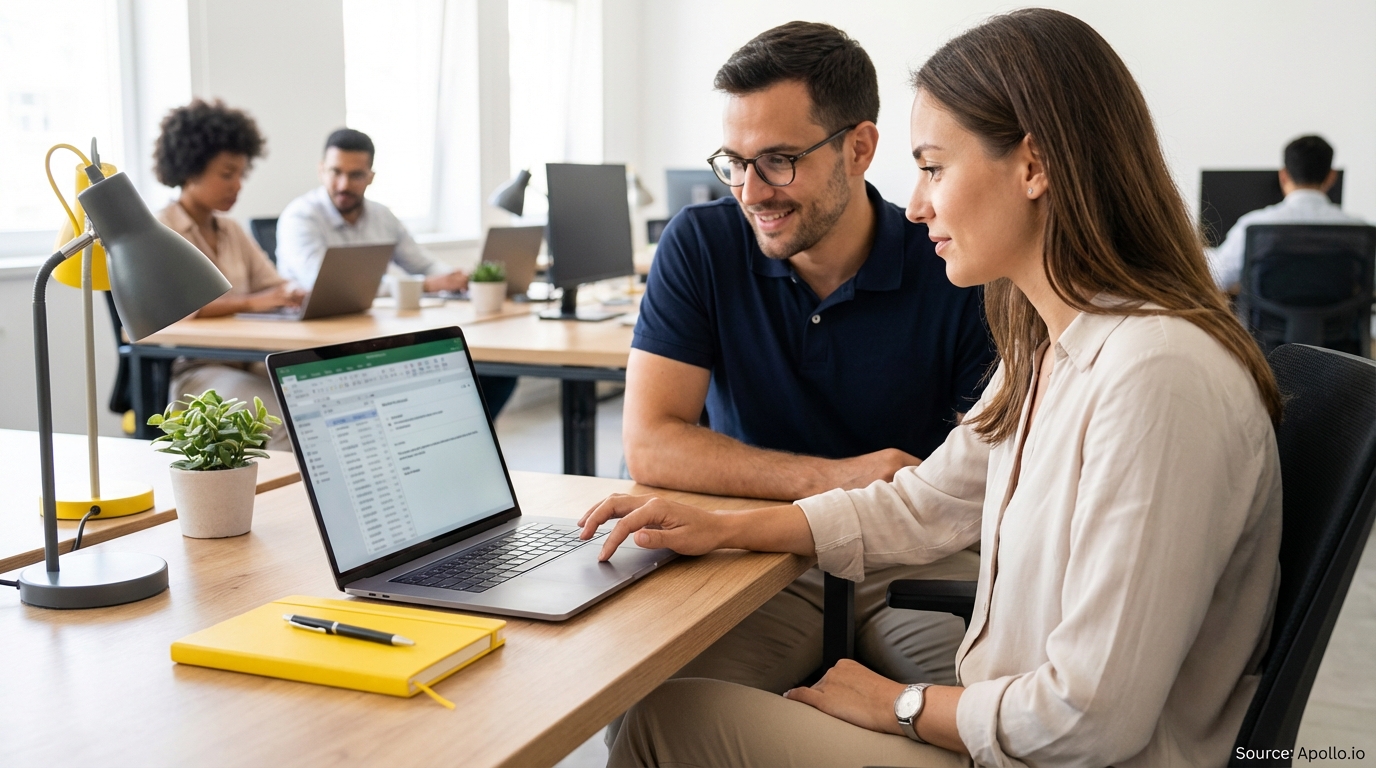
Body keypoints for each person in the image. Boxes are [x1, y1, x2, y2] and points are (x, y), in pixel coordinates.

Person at [585, 9, 1283, 766]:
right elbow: (927, 501)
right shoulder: (1054, 350)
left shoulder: (1155, 377)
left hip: (1058, 755)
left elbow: (1089, 719)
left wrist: (899, 706)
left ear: (1034, 166)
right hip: (1017, 732)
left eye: (934, 168)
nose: (915, 205)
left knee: (669, 722)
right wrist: (726, 525)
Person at [620, 19, 995, 705]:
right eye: (734, 161)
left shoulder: (953, 260)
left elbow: (984, 486)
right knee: (654, 712)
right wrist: (836, 478)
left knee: (984, 712)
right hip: (754, 551)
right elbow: (651, 443)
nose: (750, 191)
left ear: (859, 148)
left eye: (779, 160)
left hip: (911, 550)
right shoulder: (701, 244)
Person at [276, 128, 517, 415]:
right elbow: (328, 285)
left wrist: (453, 279)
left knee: (496, 373)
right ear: (321, 170)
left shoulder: (381, 215)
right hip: (321, 338)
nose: (343, 184)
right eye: (335, 172)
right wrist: (424, 285)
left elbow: (422, 263)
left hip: (373, 329)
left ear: (371, 177)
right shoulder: (300, 217)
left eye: (356, 175)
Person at [153, 98, 301, 449]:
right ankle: (285, 505)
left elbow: (275, 286)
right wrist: (258, 301)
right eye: (226, 174)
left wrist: (293, 293)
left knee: (315, 398)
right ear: (190, 169)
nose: (237, 185)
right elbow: (182, 310)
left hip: (251, 362)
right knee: (280, 418)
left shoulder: (232, 230)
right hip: (195, 371)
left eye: (240, 174)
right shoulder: (160, 232)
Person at [1207, 134, 1366, 290]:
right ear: (1332, 177)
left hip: (1267, 317)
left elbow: (1217, 277)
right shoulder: (1361, 232)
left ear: (1283, 176)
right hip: (1339, 317)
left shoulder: (1254, 225)